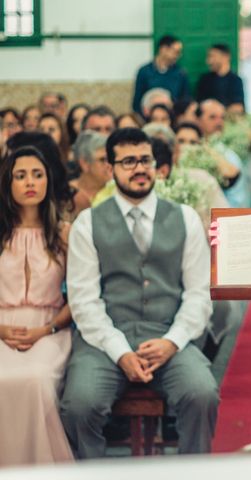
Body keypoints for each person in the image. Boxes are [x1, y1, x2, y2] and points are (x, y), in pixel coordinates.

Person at [60, 128, 218, 458]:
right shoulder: (87, 224)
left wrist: (171, 342)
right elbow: (84, 301)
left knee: (202, 394)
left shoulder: (185, 218)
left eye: (145, 159)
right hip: (104, 342)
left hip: (168, 335)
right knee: (79, 404)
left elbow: (198, 294)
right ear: (110, 169)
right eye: (128, 161)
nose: (139, 168)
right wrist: (121, 352)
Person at [0, 146, 74, 465]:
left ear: (47, 181)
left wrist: (48, 328)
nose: (30, 181)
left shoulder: (65, 233)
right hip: (1, 328)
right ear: (8, 184)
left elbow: (83, 295)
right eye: (20, 175)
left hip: (51, 328)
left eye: (37, 174)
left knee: (35, 378)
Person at [132, 35, 190, 116]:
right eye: (176, 52)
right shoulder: (144, 71)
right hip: (148, 116)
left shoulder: (180, 73)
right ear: (163, 49)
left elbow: (185, 99)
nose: (178, 56)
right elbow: (137, 100)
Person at [69, 130, 111, 215]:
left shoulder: (117, 191)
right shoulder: (67, 193)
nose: (109, 165)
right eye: (102, 160)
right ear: (84, 163)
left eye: (109, 159)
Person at [196, 43, 245, 115]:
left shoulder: (236, 80)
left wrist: (216, 112)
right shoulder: (205, 80)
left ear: (226, 57)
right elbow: (199, 105)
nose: (209, 61)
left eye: (212, 56)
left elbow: (238, 108)